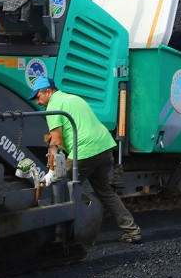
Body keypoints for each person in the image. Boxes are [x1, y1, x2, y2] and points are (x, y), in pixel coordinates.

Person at [30, 77, 141, 244]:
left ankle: (62, 238)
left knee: (58, 189)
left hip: (84, 151)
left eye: (38, 96)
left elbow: (56, 142)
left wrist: (52, 171)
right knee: (105, 191)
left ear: (48, 91)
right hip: (104, 147)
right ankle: (132, 230)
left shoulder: (54, 105)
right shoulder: (74, 98)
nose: (38, 102)